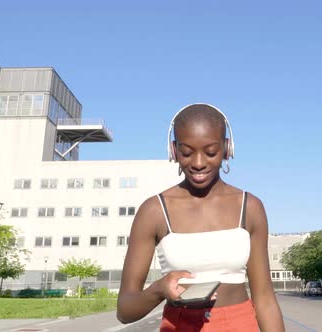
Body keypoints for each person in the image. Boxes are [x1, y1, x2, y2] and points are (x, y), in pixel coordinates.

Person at [117, 103, 285, 331]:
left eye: (211, 152)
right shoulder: (153, 211)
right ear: (173, 151)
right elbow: (125, 311)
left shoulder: (250, 207)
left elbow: (265, 300)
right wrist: (159, 289)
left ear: (227, 148)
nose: (198, 163)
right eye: (187, 152)